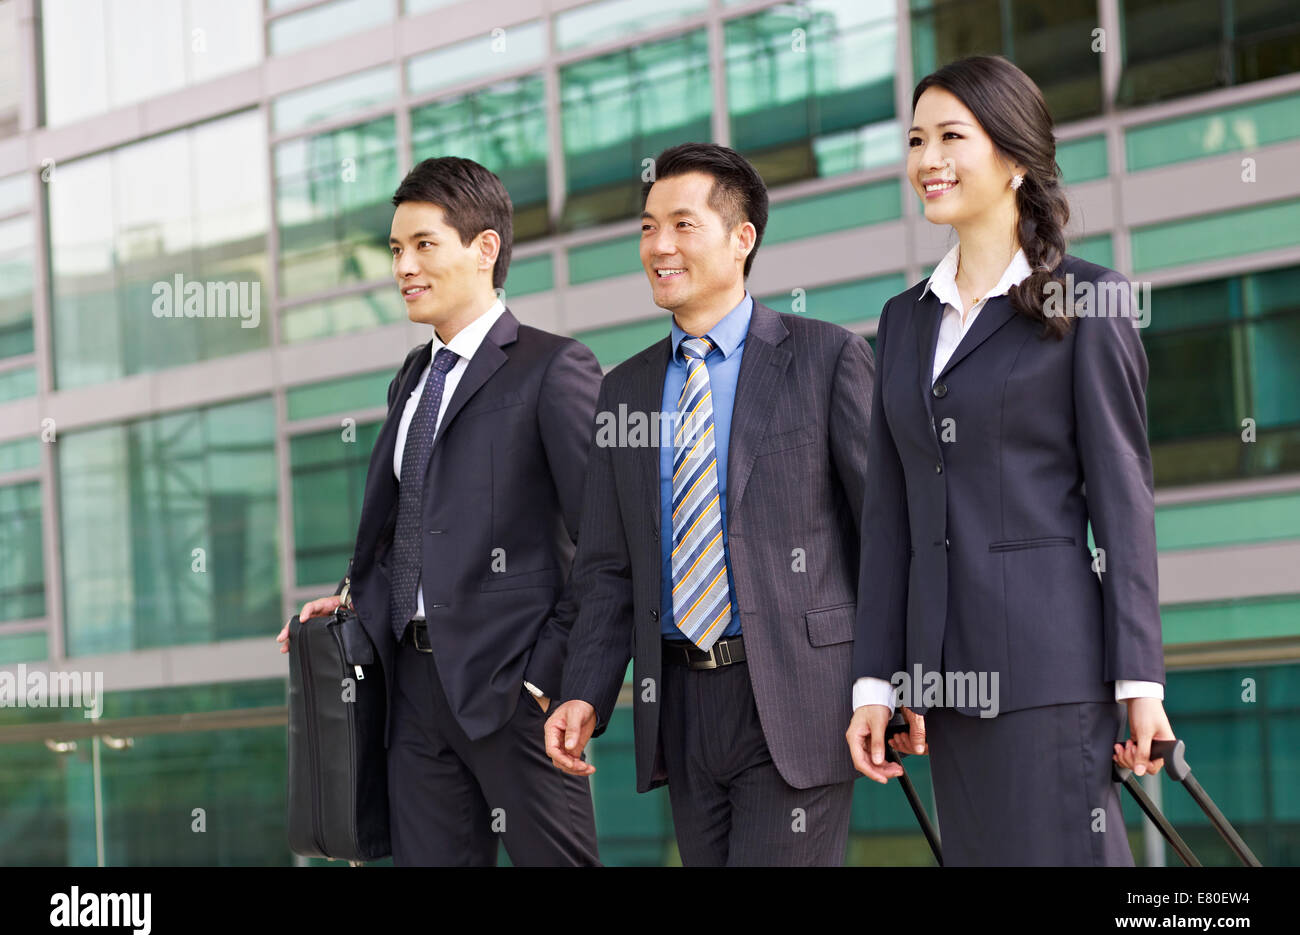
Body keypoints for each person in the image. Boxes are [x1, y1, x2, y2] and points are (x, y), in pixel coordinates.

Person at [845, 55, 1174, 865]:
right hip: (944, 689)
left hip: (1050, 668)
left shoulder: (1089, 300)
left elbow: (1123, 501)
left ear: (1016, 156)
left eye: (952, 136)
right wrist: (876, 682)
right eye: (917, 139)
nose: (929, 159)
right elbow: (891, 519)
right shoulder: (904, 320)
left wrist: (1140, 681)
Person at [545, 143, 876, 865]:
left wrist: (893, 681)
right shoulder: (624, 391)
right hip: (683, 706)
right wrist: (586, 693)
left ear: (742, 238)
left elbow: (882, 534)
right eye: (646, 227)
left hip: (797, 698)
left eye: (683, 225)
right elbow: (606, 567)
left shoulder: (826, 359)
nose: (658, 246)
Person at [276, 156, 602, 866]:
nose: (404, 267)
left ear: (485, 249)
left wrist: (546, 677)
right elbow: (407, 523)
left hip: (513, 693)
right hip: (412, 692)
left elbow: (605, 546)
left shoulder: (554, 368)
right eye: (396, 249)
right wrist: (349, 603)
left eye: (425, 244)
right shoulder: (412, 379)